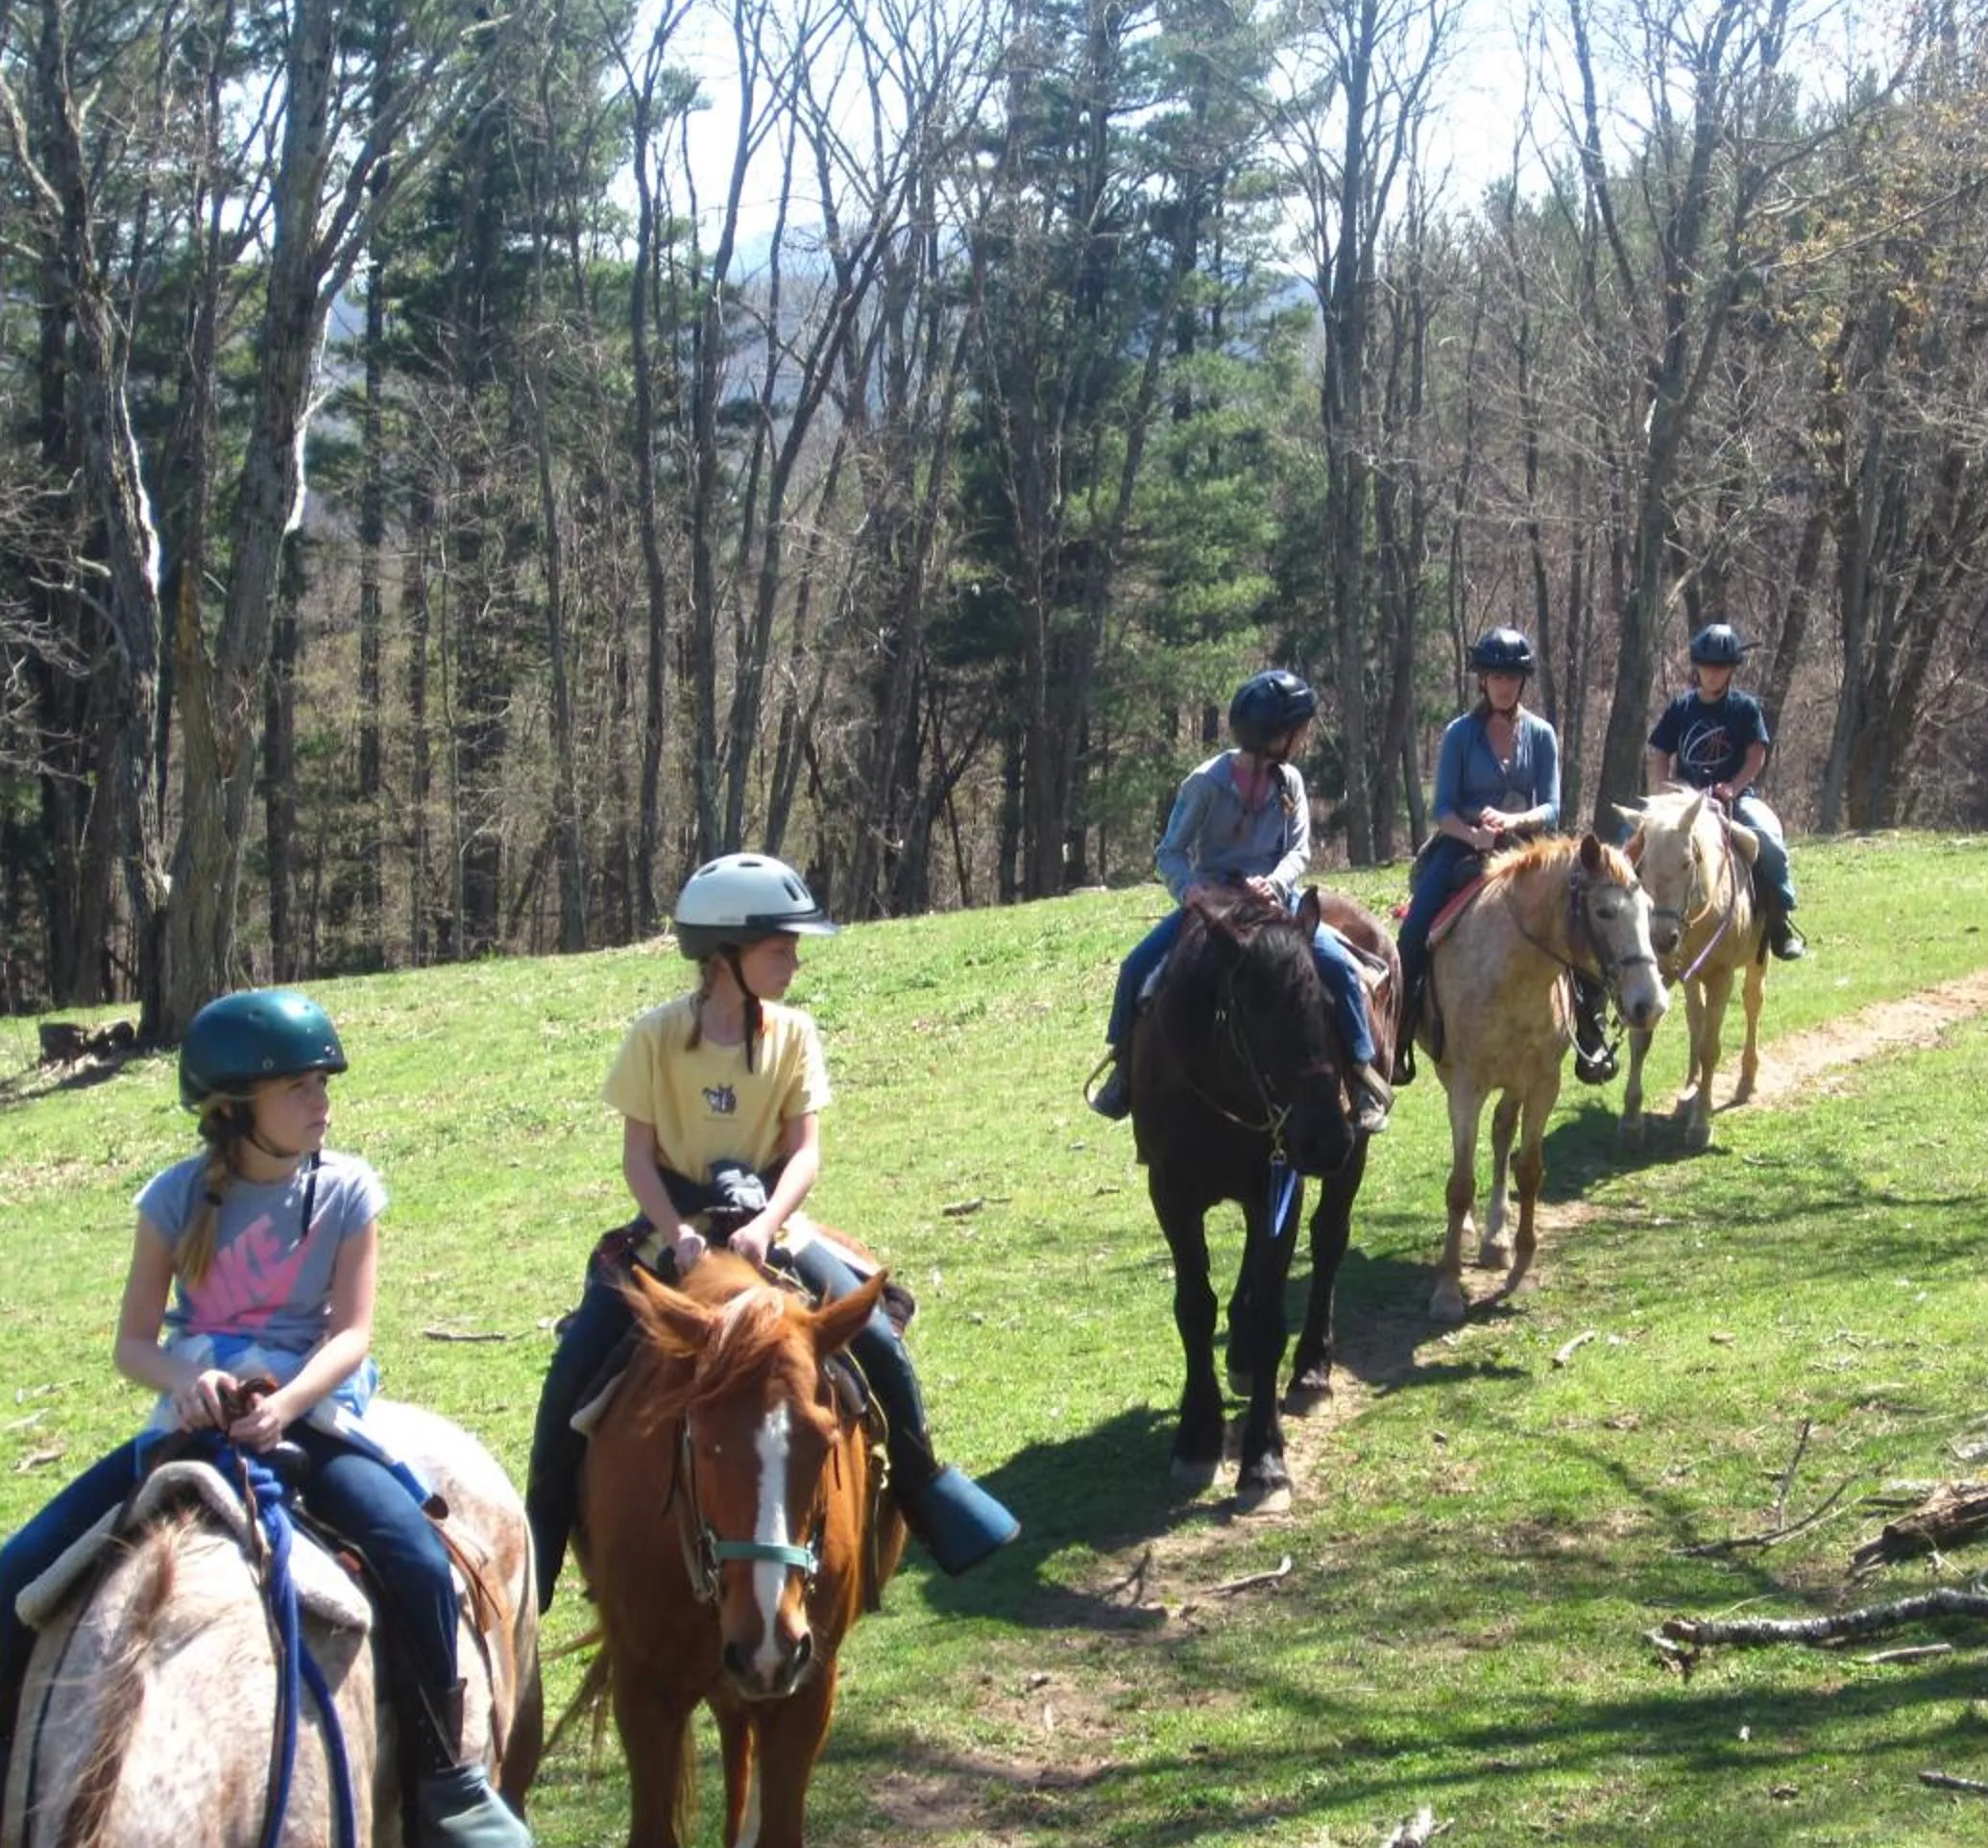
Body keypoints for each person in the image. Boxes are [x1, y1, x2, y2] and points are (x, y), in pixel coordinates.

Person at [0, 989, 534, 1848]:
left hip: (315, 1411)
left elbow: (352, 1334)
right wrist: (188, 1381)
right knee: (23, 1563)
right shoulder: (174, 1200)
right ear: (237, 1106)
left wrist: (287, 1403)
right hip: (194, 1422)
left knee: (418, 1563)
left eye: (323, 1084)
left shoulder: (347, 1190)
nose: (322, 1101)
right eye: (300, 1086)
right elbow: (133, 1344)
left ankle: (444, 1779)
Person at [523, 852, 1018, 1614]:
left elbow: (806, 1152)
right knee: (575, 1366)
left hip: (773, 1227)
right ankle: (544, 1534)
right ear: (726, 955)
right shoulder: (653, 1038)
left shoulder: (795, 1033)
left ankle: (920, 1485)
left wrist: (766, 1224)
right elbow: (636, 1158)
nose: (793, 961)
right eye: (779, 947)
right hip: (672, 1233)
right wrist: (675, 1235)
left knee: (879, 1343)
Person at [1089, 669, 1392, 1131]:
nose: (1305, 738)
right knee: (1137, 969)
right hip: (1213, 909)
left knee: (1343, 970)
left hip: (1276, 904)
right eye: (1300, 729)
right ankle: (1123, 1071)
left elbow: (1299, 849)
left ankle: (1361, 1076)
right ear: (1277, 734)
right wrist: (1189, 890)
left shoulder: (1289, 782)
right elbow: (1169, 852)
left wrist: (1276, 881)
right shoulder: (1206, 784)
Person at [1394, 627, 1612, 1084]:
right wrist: (1474, 836)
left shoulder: (1542, 734)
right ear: (1482, 680)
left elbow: (1552, 805)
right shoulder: (1459, 734)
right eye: (1495, 676)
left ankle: (1591, 1033)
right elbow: (1442, 810)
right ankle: (1399, 1034)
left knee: (1588, 920)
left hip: (1528, 846)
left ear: (1522, 681)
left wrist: (1515, 823)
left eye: (1512, 676)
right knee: (1413, 931)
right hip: (1461, 844)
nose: (1504, 685)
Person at [1645, 621, 1806, 960]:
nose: (1712, 674)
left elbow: (1756, 753)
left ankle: (1779, 921)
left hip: (1733, 798)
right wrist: (1661, 792)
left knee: (1768, 839)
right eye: (1706, 667)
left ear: (1731, 670)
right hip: (1685, 801)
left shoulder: (1744, 708)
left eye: (1720, 668)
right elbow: (1659, 750)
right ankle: (1626, 929)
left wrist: (1734, 787)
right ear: (1697, 667)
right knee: (1629, 841)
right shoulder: (1681, 708)